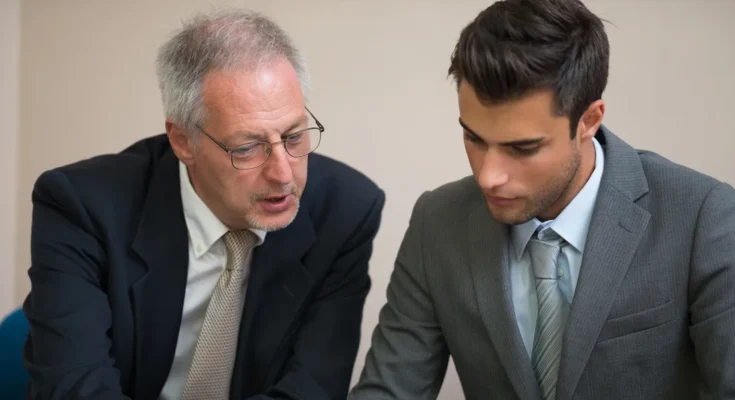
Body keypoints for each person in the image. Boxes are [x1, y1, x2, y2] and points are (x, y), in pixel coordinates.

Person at [349, 0, 735, 399]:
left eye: (522, 148)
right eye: (474, 138)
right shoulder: (437, 222)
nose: (488, 176)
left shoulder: (704, 217)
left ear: (588, 120)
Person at [22, 9, 385, 400]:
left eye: (294, 137)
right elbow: (76, 387)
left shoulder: (346, 210)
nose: (284, 174)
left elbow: (312, 388)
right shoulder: (83, 206)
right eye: (247, 148)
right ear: (183, 142)